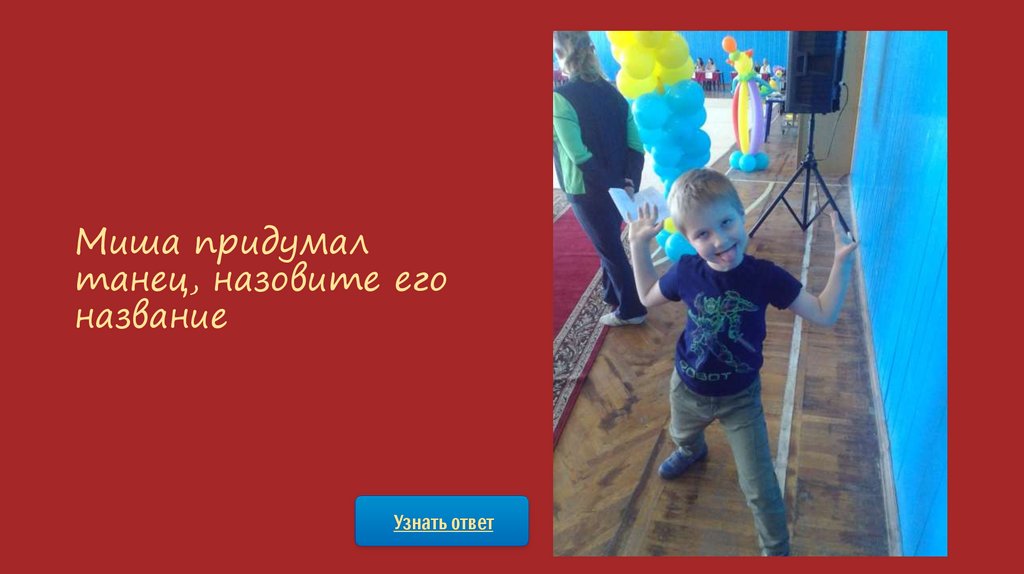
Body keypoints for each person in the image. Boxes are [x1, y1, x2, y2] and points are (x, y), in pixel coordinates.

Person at [625, 168, 857, 556]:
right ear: (687, 239)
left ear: (741, 214)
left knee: (760, 487)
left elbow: (822, 312)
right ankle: (691, 451)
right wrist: (637, 245)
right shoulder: (686, 271)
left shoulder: (765, 277)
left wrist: (841, 264)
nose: (720, 240)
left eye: (726, 223)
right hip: (687, 389)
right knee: (681, 433)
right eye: (702, 234)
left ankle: (776, 550)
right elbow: (648, 295)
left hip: (740, 401)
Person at [553, 31, 647, 326]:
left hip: (586, 189)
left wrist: (616, 185)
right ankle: (611, 292)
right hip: (619, 186)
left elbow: (579, 157)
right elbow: (636, 146)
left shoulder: (560, 99)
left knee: (609, 249)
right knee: (608, 240)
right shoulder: (615, 94)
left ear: (561, 55)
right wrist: (628, 182)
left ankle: (632, 309)